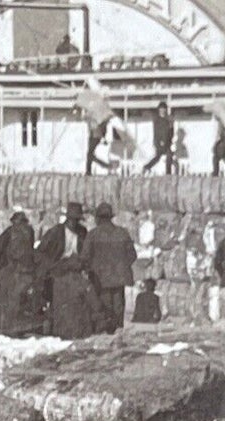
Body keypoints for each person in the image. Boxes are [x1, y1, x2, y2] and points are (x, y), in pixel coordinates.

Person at [38, 201, 95, 339]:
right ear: (67, 219)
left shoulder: (82, 232)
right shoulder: (55, 232)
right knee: (59, 302)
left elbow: (86, 252)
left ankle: (78, 331)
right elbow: (41, 252)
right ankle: (58, 331)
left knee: (79, 302)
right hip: (59, 270)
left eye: (77, 220)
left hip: (76, 269)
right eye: (72, 220)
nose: (74, 223)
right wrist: (51, 267)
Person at [81, 201, 137, 335]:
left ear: (98, 218)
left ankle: (106, 333)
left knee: (104, 307)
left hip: (100, 278)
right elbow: (132, 255)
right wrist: (121, 266)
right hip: (119, 278)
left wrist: (90, 269)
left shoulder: (93, 234)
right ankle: (117, 333)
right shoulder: (122, 233)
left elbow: (85, 257)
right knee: (118, 307)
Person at [0, 209, 45, 339]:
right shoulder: (30, 231)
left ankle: (3, 332)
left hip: (14, 270)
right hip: (28, 270)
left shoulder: (11, 231)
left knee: (5, 300)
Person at [144, 99, 176, 174]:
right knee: (159, 156)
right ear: (159, 110)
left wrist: (170, 141)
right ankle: (147, 167)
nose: (162, 110)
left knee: (168, 155)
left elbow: (171, 131)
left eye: (164, 109)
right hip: (159, 142)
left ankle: (168, 173)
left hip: (167, 142)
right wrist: (160, 141)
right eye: (161, 109)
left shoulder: (168, 120)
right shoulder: (157, 120)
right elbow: (157, 132)